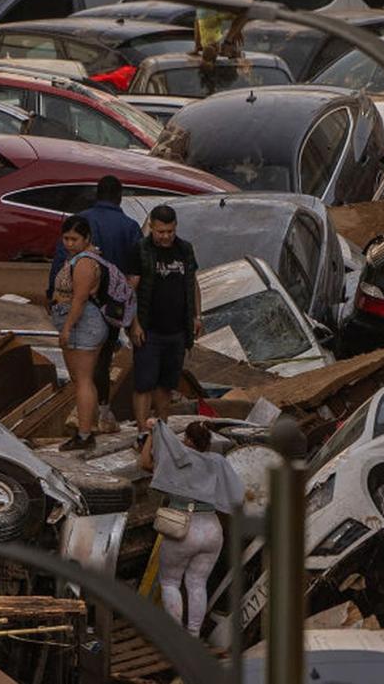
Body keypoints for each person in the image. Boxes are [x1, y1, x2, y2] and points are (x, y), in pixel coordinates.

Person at [47, 176, 142, 433]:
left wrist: (53, 300)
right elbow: (136, 272)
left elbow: (60, 267)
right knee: (100, 360)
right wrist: (131, 315)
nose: (69, 243)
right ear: (119, 197)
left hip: (79, 310)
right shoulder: (130, 227)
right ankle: (99, 413)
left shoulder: (78, 226)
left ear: (96, 195)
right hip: (110, 308)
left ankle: (86, 425)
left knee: (83, 375)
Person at [139, 418, 244, 636]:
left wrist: (152, 434)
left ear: (186, 439)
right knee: (197, 583)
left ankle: (177, 639)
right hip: (212, 529)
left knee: (170, 582)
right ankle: (194, 635)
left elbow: (145, 464)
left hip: (183, 528)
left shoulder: (175, 460)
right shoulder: (217, 461)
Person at [128, 204, 201, 439]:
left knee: (166, 385)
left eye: (170, 231)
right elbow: (131, 290)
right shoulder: (141, 250)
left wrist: (197, 316)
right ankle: (142, 432)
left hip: (177, 331)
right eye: (161, 232)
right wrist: (134, 323)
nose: (166, 236)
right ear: (152, 228)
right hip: (149, 330)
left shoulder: (185, 250)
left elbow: (193, 284)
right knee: (144, 383)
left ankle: (162, 430)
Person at [50, 215, 108, 451]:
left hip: (82, 325)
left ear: (86, 239)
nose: (69, 243)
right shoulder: (78, 258)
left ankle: (84, 434)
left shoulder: (84, 262)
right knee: (82, 379)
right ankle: (87, 427)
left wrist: (67, 328)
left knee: (83, 380)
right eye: (66, 238)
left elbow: (80, 299)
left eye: (74, 239)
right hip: (80, 323)